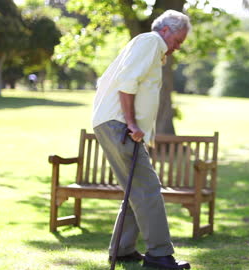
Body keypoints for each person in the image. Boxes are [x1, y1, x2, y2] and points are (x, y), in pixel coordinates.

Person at [92, 10, 191, 270]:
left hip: (115, 125)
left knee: (138, 190)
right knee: (147, 189)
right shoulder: (151, 42)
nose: (177, 47)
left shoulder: (148, 48)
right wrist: (132, 123)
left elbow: (106, 81)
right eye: (178, 40)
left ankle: (123, 251)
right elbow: (127, 83)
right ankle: (159, 256)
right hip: (121, 126)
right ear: (166, 30)